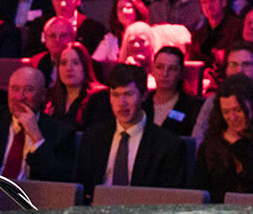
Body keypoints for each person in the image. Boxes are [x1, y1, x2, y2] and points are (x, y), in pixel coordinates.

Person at [75, 64, 187, 192]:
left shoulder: (168, 146)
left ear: (144, 95)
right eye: (115, 95)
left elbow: (168, 201)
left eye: (128, 94)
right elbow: (81, 191)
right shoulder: (93, 138)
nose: (121, 103)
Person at [0, 67, 77, 183]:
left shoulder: (62, 133)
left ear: (43, 95)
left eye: (29, 90)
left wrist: (37, 138)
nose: (20, 97)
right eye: (15, 89)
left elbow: (59, 184)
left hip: (34, 198)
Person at [44, 44, 106, 130]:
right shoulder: (52, 98)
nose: (69, 68)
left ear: (84, 66)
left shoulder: (100, 97)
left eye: (76, 63)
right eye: (63, 63)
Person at [147, 47, 202, 136]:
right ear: (152, 70)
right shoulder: (141, 103)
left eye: (172, 69)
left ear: (181, 73)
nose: (165, 74)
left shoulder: (192, 108)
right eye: (159, 67)